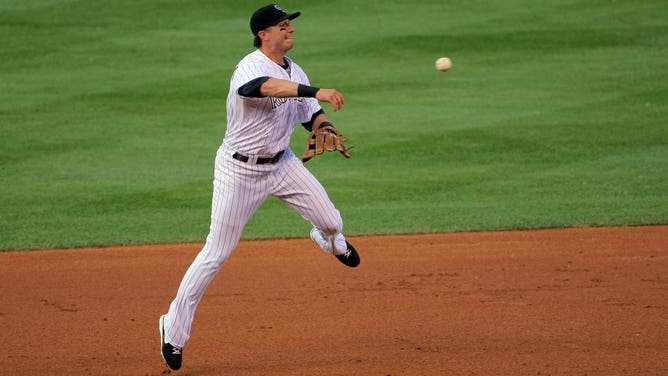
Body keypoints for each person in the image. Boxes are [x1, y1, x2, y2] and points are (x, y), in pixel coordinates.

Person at [159, 4, 360, 371]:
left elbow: (307, 113)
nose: (290, 30)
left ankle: (328, 240)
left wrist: (324, 126)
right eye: (282, 26)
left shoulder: (294, 70)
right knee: (216, 253)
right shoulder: (250, 67)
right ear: (263, 34)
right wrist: (318, 90)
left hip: (282, 164)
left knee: (332, 222)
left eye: (290, 25)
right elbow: (259, 89)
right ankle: (172, 329)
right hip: (239, 172)